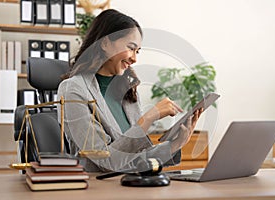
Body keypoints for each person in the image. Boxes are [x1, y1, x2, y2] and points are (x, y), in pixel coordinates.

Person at [57, 9, 202, 172]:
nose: (134, 58)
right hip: (98, 189)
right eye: (131, 48)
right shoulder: (73, 89)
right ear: (105, 43)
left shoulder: (127, 91)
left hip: (131, 183)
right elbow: (106, 162)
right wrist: (148, 118)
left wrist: (176, 143)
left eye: (137, 51)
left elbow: (138, 158)